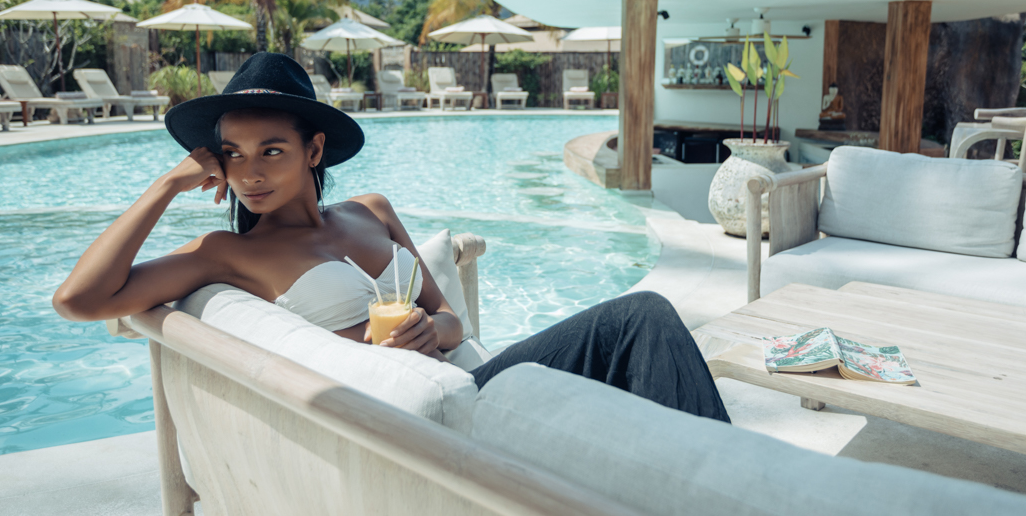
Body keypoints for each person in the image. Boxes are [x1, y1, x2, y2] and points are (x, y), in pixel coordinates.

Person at [53, 53, 728, 423]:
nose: (248, 174)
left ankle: (700, 472)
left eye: (271, 151)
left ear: (314, 149)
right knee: (640, 317)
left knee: (645, 331)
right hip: (441, 414)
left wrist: (432, 330)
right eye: (233, 154)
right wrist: (164, 187)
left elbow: (451, 319)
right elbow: (78, 301)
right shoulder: (229, 254)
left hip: (470, 378)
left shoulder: (370, 211)